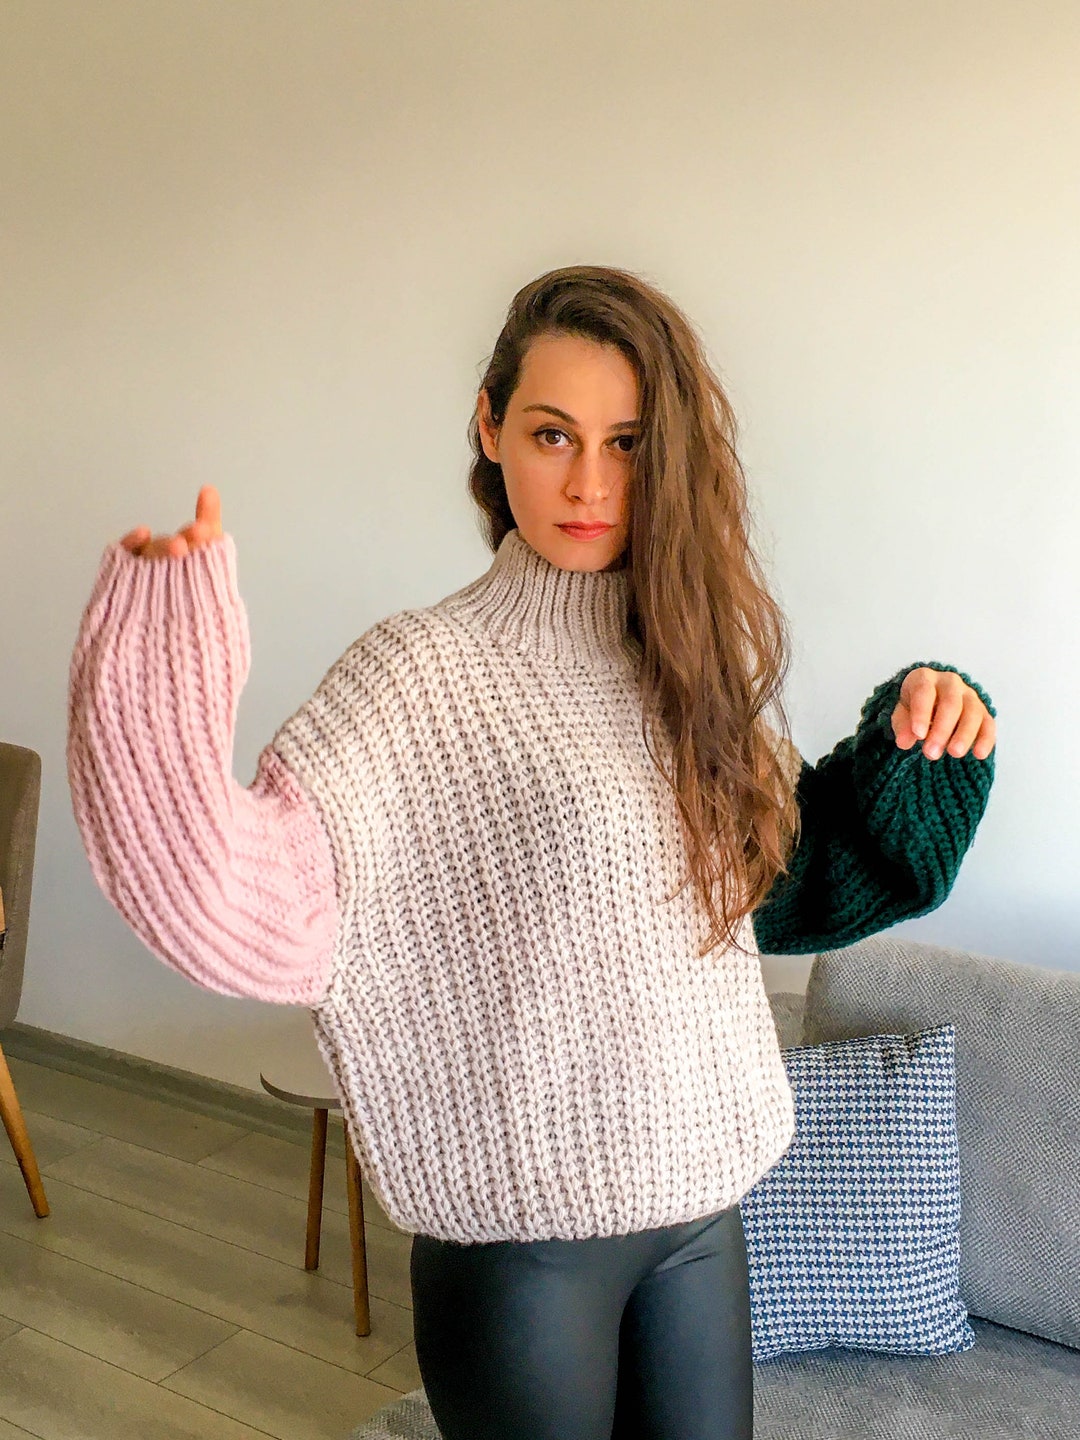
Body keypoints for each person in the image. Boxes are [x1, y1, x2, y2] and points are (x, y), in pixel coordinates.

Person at [66, 264, 997, 1440]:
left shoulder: (691, 659)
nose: (592, 484)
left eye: (629, 444)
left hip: (702, 1218)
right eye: (554, 434)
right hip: (525, 1255)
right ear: (490, 427)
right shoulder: (419, 672)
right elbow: (242, 904)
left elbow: (784, 887)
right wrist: (156, 676)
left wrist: (916, 749)